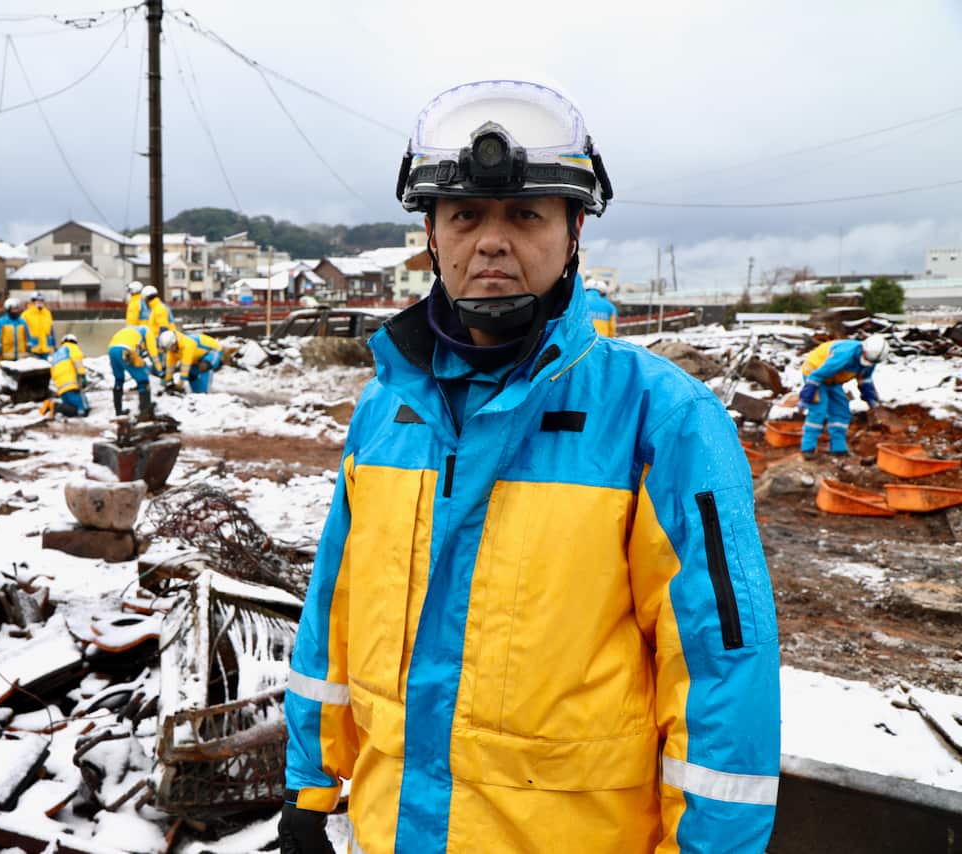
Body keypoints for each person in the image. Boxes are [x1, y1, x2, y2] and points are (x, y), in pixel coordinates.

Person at [281, 80, 780, 854]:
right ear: (432, 234)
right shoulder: (386, 413)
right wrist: (311, 790)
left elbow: (723, 667)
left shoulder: (662, 421)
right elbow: (333, 613)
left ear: (574, 229)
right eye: (465, 215)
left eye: (525, 214)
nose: (490, 240)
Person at [798, 334, 887, 458]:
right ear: (863, 350)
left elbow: (865, 380)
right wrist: (806, 397)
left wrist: (871, 399)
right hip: (815, 374)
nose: (868, 364)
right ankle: (808, 448)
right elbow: (817, 376)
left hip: (833, 380)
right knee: (818, 410)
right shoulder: (844, 355)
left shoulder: (871, 361)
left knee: (841, 410)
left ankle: (838, 448)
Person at [107, 323, 159, 418]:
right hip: (126, 350)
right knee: (143, 379)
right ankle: (145, 410)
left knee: (119, 379)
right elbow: (153, 352)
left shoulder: (129, 330)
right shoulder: (147, 331)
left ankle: (118, 411)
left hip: (112, 350)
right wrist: (159, 369)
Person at [42, 333, 90, 417]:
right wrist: (82, 377)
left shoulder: (56, 355)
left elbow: (53, 373)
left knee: (71, 409)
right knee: (84, 411)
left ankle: (54, 406)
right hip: (72, 385)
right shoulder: (72, 347)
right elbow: (77, 362)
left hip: (62, 388)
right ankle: (55, 406)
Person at [165, 329, 224, 393]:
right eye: (167, 348)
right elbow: (170, 367)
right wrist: (169, 381)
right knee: (191, 372)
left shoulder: (187, 344)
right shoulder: (171, 351)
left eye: (170, 347)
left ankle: (205, 393)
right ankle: (197, 392)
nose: (169, 349)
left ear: (174, 342)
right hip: (198, 357)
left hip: (213, 350)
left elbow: (185, 366)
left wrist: (180, 384)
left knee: (204, 366)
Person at [22, 292, 56, 358]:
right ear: (32, 301)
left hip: (47, 349)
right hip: (33, 350)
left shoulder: (47, 313)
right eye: (38, 300)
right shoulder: (25, 315)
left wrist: (53, 345)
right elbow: (22, 333)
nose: (40, 303)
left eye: (42, 300)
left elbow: (51, 331)